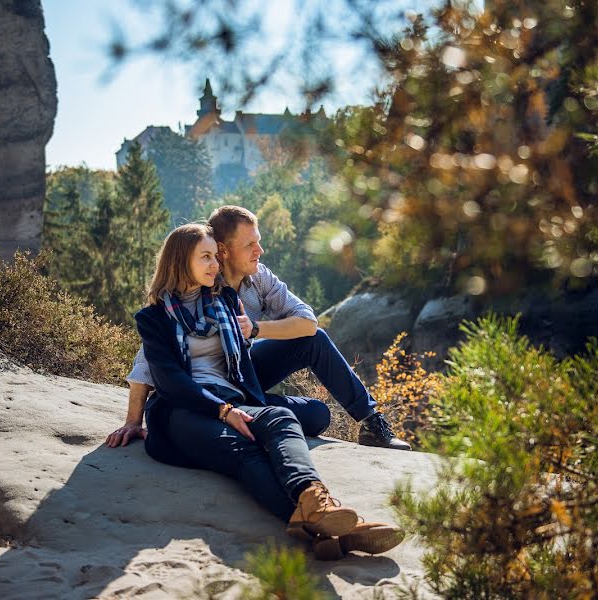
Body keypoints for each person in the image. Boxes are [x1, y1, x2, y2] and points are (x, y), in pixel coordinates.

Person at [118, 223, 403, 560]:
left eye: (215, 256)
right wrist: (137, 419)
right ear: (181, 262)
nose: (214, 264)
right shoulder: (155, 318)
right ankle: (340, 529)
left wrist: (239, 399)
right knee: (247, 451)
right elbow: (168, 380)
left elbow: (304, 324)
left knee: (281, 418)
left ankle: (318, 507)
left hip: (232, 398)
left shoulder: (224, 298)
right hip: (181, 410)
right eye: (205, 257)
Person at [109, 205, 411, 451]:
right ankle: (250, 415)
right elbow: (148, 357)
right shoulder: (197, 284)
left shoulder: (259, 278)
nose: (260, 250)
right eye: (250, 244)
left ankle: (372, 422)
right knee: (314, 415)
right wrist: (133, 421)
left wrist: (255, 329)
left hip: (243, 374)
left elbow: (308, 322)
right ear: (224, 251)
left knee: (316, 362)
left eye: (259, 241)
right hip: (203, 387)